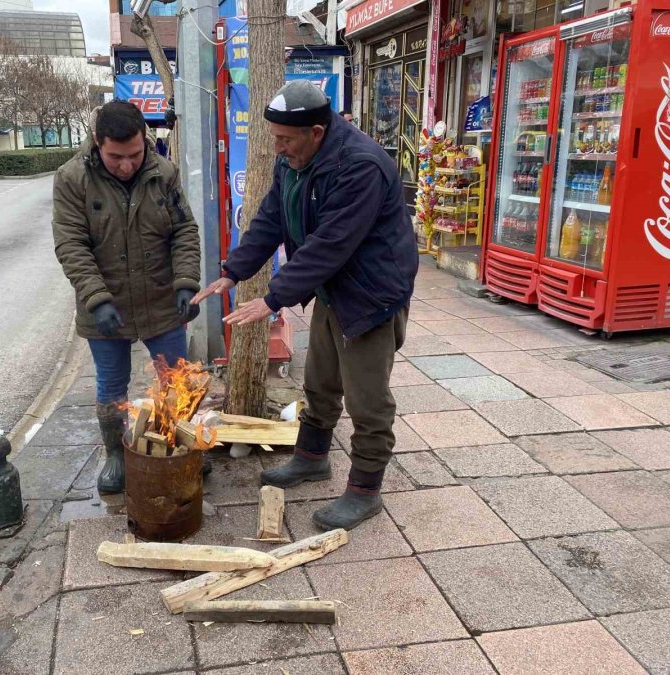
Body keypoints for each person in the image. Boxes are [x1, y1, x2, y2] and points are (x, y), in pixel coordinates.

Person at [193, 80, 418, 530]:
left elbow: (330, 243)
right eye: (273, 136)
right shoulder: (295, 159)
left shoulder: (361, 165)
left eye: (284, 139)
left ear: (316, 132)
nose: (276, 148)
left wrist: (273, 298)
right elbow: (271, 218)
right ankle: (313, 458)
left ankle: (364, 491)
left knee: (368, 400)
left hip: (372, 294)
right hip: (333, 288)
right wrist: (233, 270)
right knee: (320, 383)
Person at [52, 100, 202, 495]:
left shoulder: (163, 173)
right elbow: (71, 244)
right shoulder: (72, 179)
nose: (126, 165)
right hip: (107, 303)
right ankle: (116, 454)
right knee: (111, 386)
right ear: (97, 143)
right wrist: (96, 299)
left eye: (134, 155)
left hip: (160, 299)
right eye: (116, 157)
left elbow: (184, 231)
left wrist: (186, 281)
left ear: (145, 142)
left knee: (176, 380)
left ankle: (177, 446)